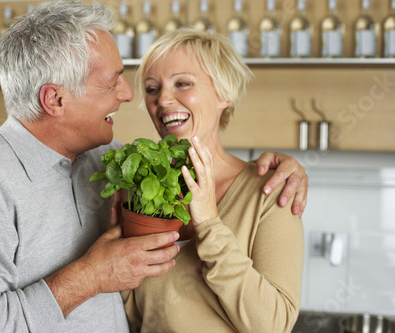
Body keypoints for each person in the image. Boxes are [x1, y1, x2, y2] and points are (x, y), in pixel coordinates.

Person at [0, 1, 306, 332]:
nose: (131, 96)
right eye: (117, 83)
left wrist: (288, 166)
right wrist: (89, 277)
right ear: (55, 99)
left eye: (182, 83)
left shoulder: (116, 165)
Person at [121, 29, 305, 332]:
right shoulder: (142, 191)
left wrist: (209, 225)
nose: (163, 100)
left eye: (183, 83)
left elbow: (274, 325)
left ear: (224, 94)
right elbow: (132, 310)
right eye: (152, 89)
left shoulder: (270, 192)